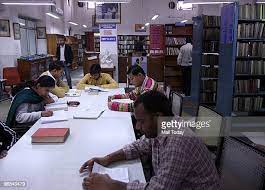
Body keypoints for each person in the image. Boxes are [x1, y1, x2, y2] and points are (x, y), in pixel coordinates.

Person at [80, 91, 220, 190]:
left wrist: (112, 186)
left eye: (141, 121)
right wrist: (107, 159)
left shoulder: (178, 142)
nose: (137, 127)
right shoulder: (162, 126)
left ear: (157, 117)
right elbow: (138, 146)